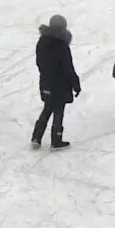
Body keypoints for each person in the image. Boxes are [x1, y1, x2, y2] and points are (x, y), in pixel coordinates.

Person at [33, 14, 80, 150]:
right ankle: (56, 140)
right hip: (60, 85)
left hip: (46, 82)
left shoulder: (42, 42)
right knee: (58, 111)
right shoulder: (61, 46)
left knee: (47, 109)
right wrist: (75, 84)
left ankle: (36, 137)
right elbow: (68, 68)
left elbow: (39, 62)